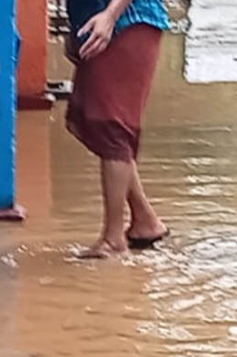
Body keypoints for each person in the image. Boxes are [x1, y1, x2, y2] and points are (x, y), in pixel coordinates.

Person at [64, 0, 171, 259]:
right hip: (100, 22)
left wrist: (110, 16)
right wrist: (75, 27)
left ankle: (113, 240)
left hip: (125, 22)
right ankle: (144, 220)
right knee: (92, 118)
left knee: (113, 128)